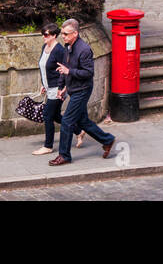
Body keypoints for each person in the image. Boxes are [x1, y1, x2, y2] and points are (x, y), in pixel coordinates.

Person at [48, 19, 116, 167]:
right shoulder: (68, 47)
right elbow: (64, 68)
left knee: (66, 121)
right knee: (83, 121)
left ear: (75, 33)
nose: (63, 37)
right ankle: (107, 140)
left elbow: (88, 73)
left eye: (66, 34)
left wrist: (69, 72)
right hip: (73, 88)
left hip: (82, 90)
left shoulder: (84, 49)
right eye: (62, 34)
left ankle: (64, 155)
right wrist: (61, 87)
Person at [32, 22, 65, 156]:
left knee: (47, 115)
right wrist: (43, 84)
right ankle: (79, 131)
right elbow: (45, 68)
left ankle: (48, 146)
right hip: (49, 86)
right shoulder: (44, 47)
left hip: (57, 88)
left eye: (46, 35)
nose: (44, 37)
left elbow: (64, 70)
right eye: (43, 34)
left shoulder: (59, 51)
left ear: (54, 36)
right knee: (56, 116)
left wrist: (62, 88)